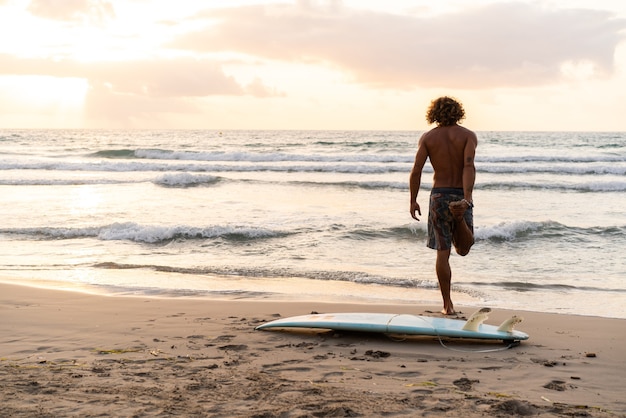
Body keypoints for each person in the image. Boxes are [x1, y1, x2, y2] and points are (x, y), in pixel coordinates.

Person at [409, 96, 477, 315]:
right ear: (458, 111)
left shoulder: (428, 138)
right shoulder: (468, 136)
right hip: (459, 194)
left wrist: (413, 199)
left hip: (438, 195)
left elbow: (416, 170)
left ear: (434, 114)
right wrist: (467, 198)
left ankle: (447, 305)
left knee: (442, 253)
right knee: (464, 249)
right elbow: (468, 166)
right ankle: (459, 218)